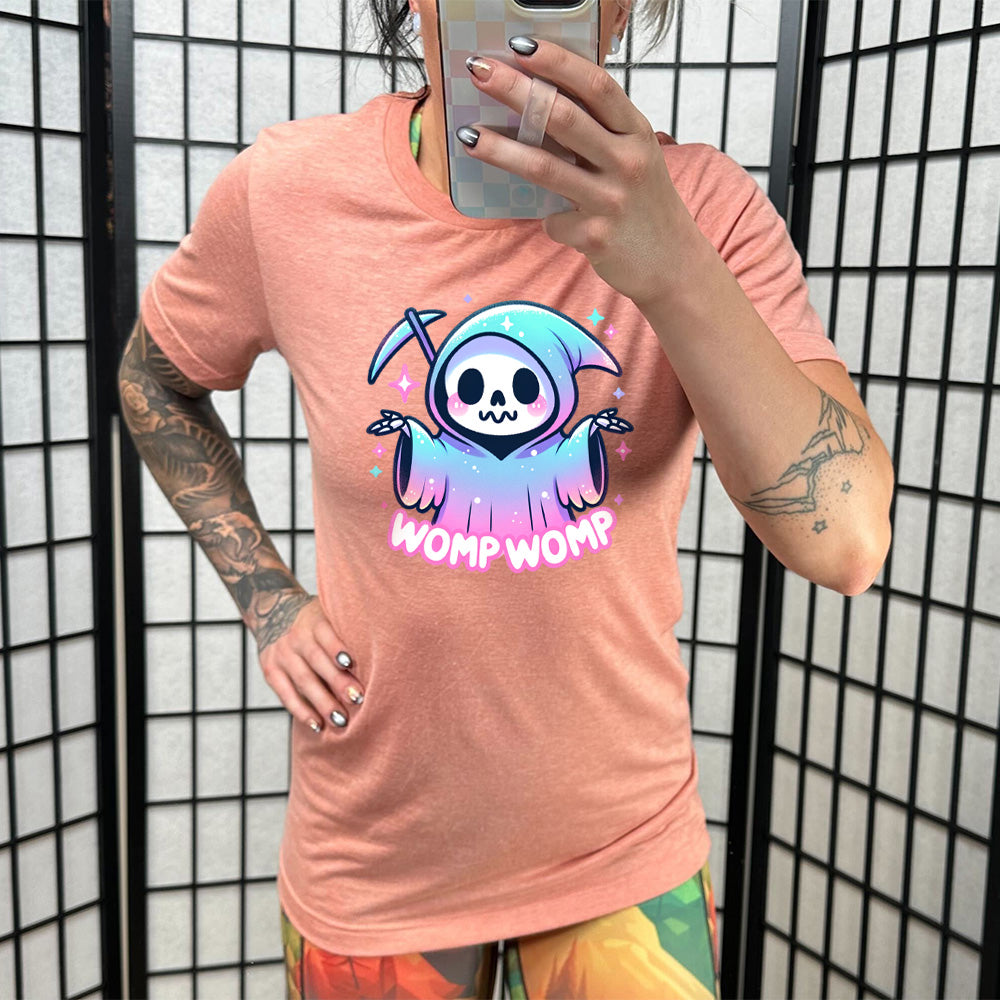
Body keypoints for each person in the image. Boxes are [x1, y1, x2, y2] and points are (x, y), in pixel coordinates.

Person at [119, 0, 894, 994]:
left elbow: (847, 542)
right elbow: (155, 380)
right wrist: (268, 600)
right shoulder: (288, 191)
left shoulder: (708, 211)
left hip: (624, 854)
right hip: (375, 866)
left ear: (624, 8)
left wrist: (671, 264)